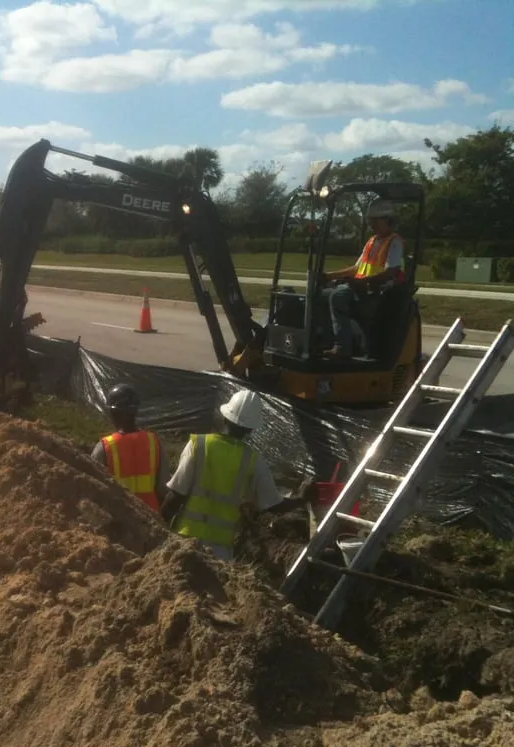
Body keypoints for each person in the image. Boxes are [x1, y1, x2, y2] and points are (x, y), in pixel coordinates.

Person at [159, 389, 308, 561]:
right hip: (220, 551)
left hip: (185, 541)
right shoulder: (253, 460)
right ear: (251, 430)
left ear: (224, 417)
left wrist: (158, 527)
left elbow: (176, 495)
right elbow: (273, 504)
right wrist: (302, 498)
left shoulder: (198, 445)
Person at [319, 199, 407, 359]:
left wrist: (364, 282)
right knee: (322, 294)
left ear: (387, 219)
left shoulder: (394, 242)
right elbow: (356, 268)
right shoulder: (372, 241)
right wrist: (329, 276)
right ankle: (325, 341)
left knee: (338, 297)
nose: (371, 224)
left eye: (375, 220)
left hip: (377, 293)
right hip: (361, 289)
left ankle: (342, 348)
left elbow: (391, 272)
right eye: (370, 220)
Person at [91, 383, 169, 513]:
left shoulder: (104, 447)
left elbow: (93, 488)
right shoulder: (154, 442)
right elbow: (163, 488)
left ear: (113, 413)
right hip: (152, 518)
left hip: (123, 519)